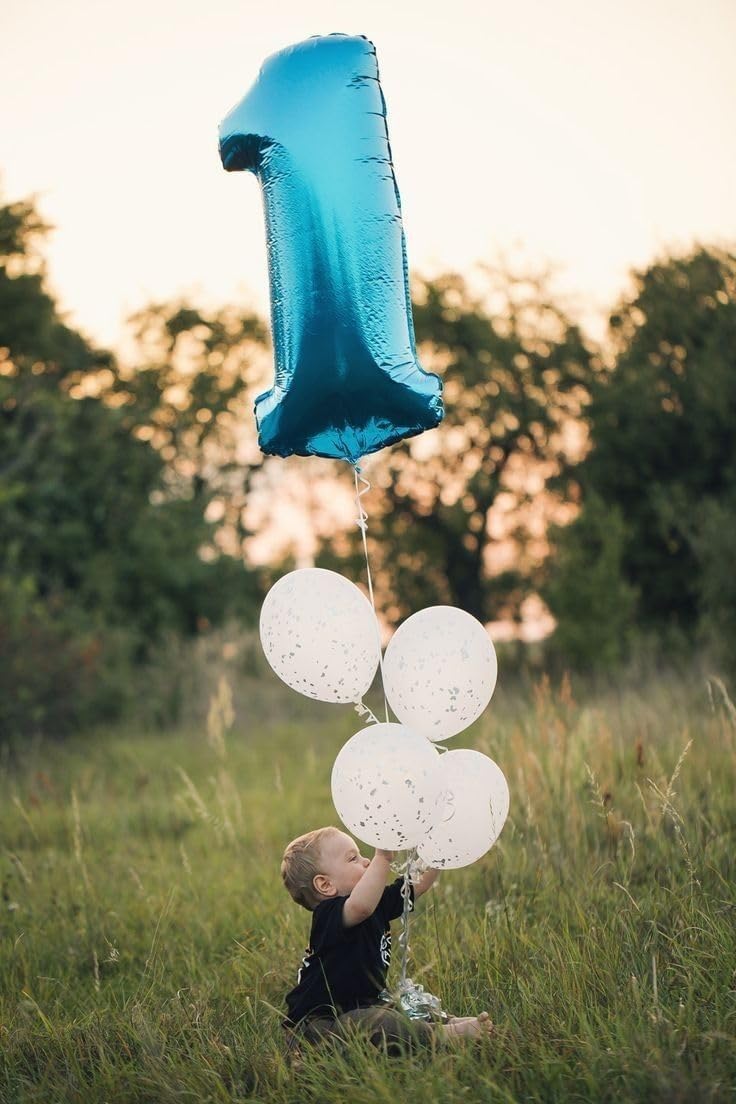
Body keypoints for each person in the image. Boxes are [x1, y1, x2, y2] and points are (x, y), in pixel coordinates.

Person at [279, 825, 493, 1060]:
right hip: (317, 1027)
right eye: (353, 858)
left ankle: (448, 1021)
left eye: (362, 855)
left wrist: (438, 852)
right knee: (366, 1023)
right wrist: (383, 857)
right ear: (325, 885)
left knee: (399, 1008)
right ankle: (443, 1036)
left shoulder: (375, 902)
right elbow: (361, 907)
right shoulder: (329, 914)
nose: (366, 861)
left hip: (363, 1005)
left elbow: (415, 886)